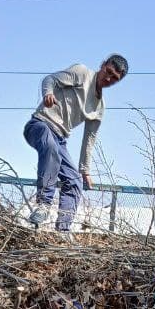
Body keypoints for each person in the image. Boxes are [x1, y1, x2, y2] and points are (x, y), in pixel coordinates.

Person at [23, 53, 128, 231]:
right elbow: (49, 79)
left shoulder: (99, 107)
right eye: (108, 72)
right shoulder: (82, 73)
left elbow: (89, 139)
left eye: (114, 79)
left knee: (74, 180)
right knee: (50, 149)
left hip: (60, 139)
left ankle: (63, 229)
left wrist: (84, 170)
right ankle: (43, 205)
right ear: (103, 65)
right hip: (39, 125)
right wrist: (47, 94)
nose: (108, 78)